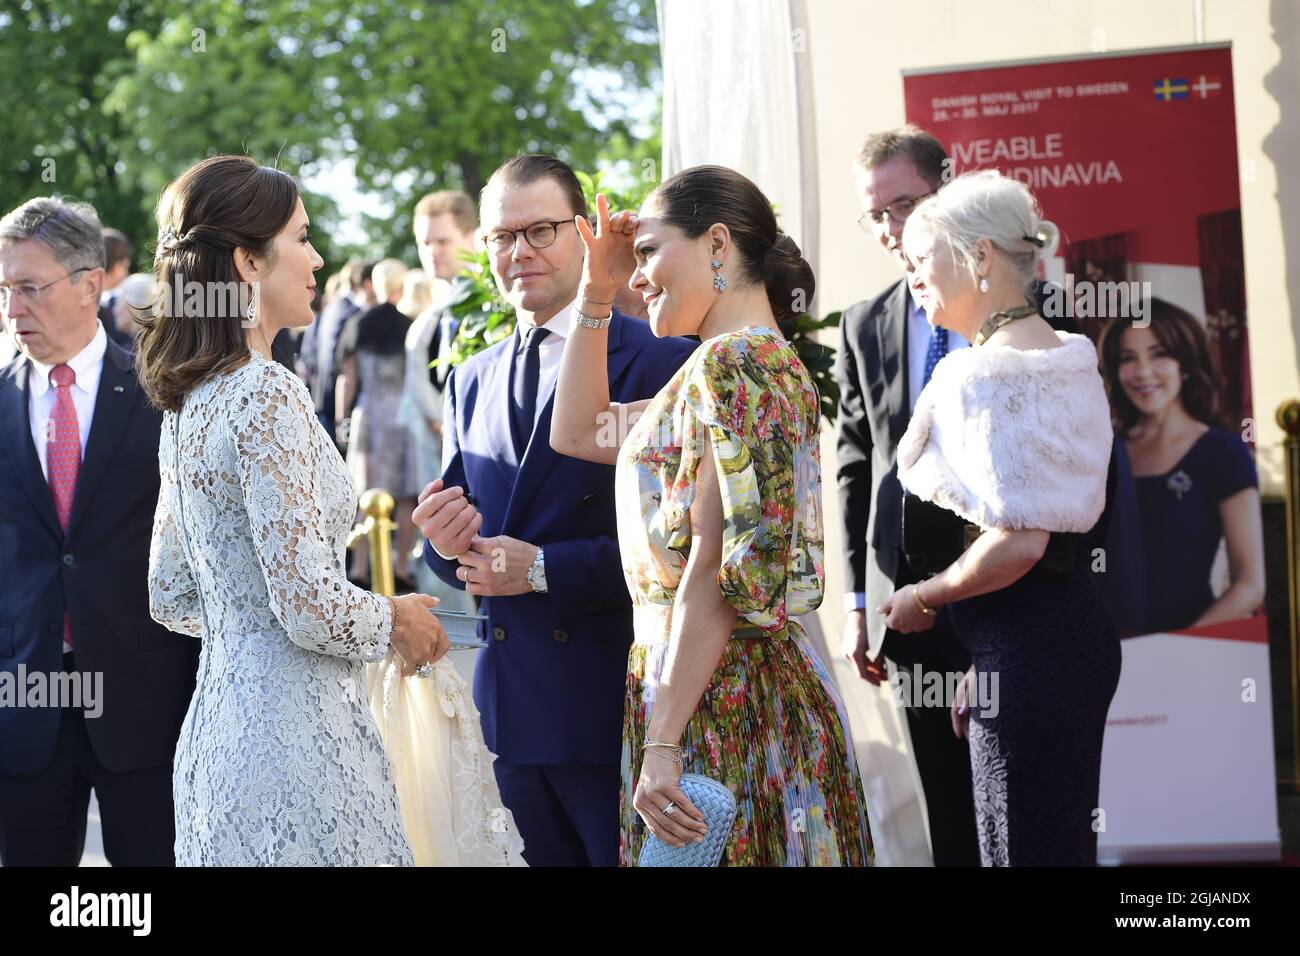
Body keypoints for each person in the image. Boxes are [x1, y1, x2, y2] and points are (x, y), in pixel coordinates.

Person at [137, 154, 460, 865]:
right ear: (249, 262)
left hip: (217, 735)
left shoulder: (188, 406)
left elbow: (171, 592)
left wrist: (250, 634)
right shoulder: (264, 394)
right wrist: (395, 618)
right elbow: (307, 606)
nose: (317, 259)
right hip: (294, 742)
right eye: (302, 238)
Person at [551, 165, 874, 866]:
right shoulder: (742, 366)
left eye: (647, 251)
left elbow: (716, 568)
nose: (638, 276)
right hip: (715, 688)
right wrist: (595, 291)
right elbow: (578, 431)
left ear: (717, 245)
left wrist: (663, 739)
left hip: (722, 699)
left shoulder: (733, 368)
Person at [414, 154, 696, 866]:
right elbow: (458, 533)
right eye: (503, 236)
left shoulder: (662, 360)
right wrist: (441, 544)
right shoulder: (471, 378)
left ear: (583, 233)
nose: (520, 252)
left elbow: (685, 548)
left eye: (539, 230)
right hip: (509, 715)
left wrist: (543, 569)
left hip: (615, 706)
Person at [887, 169, 1120, 866]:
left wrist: (925, 597)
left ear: (980, 256)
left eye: (922, 256)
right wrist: (983, 659)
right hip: (1052, 641)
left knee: (1023, 849)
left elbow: (1020, 540)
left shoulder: (991, 373)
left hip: (1032, 654)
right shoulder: (1067, 354)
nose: (913, 275)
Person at [0, 197, 198, 865]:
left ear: (90, 283)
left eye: (29, 288)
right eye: (4, 289)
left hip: (143, 700)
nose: (12, 309)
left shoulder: (160, 396)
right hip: (24, 703)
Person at [835, 125, 980, 866]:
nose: (893, 229)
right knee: (948, 810)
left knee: (1026, 805)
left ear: (946, 189)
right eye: (878, 214)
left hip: (1009, 591)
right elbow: (858, 467)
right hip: (909, 608)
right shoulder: (865, 323)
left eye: (906, 205)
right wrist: (861, 603)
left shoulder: (1021, 304)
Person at [1097, 299, 1264, 634]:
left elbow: (1250, 584)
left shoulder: (1223, 452)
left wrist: (1176, 646)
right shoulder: (1102, 452)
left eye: (1159, 354)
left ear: (1185, 364)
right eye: (1129, 359)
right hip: (1109, 657)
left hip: (1194, 653)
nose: (1143, 372)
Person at [399, 192, 478, 610]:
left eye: (443, 241)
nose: (432, 252)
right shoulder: (434, 311)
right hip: (436, 453)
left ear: (472, 237)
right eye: (425, 243)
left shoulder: (489, 304)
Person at [336, 258, 420, 587]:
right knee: (403, 494)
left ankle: (358, 567)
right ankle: (400, 564)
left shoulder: (357, 324)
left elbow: (349, 380)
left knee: (365, 492)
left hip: (368, 416)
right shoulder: (410, 325)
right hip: (401, 416)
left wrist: (343, 419)